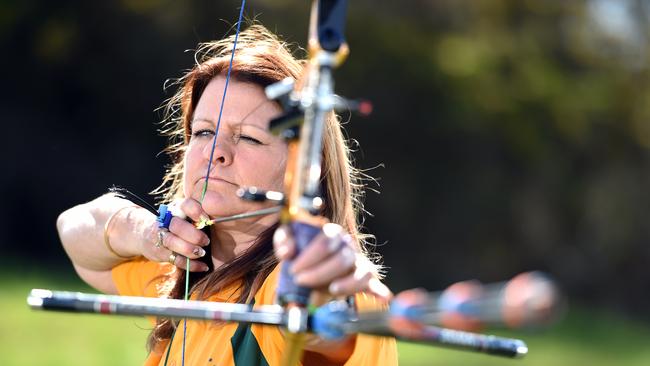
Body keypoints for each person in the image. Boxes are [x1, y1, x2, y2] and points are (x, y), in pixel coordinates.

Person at [57, 24, 397, 366]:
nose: (215, 152)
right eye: (203, 132)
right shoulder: (188, 271)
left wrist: (321, 288)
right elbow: (73, 230)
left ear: (306, 167)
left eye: (248, 137)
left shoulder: (286, 280)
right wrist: (148, 234)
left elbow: (319, 323)